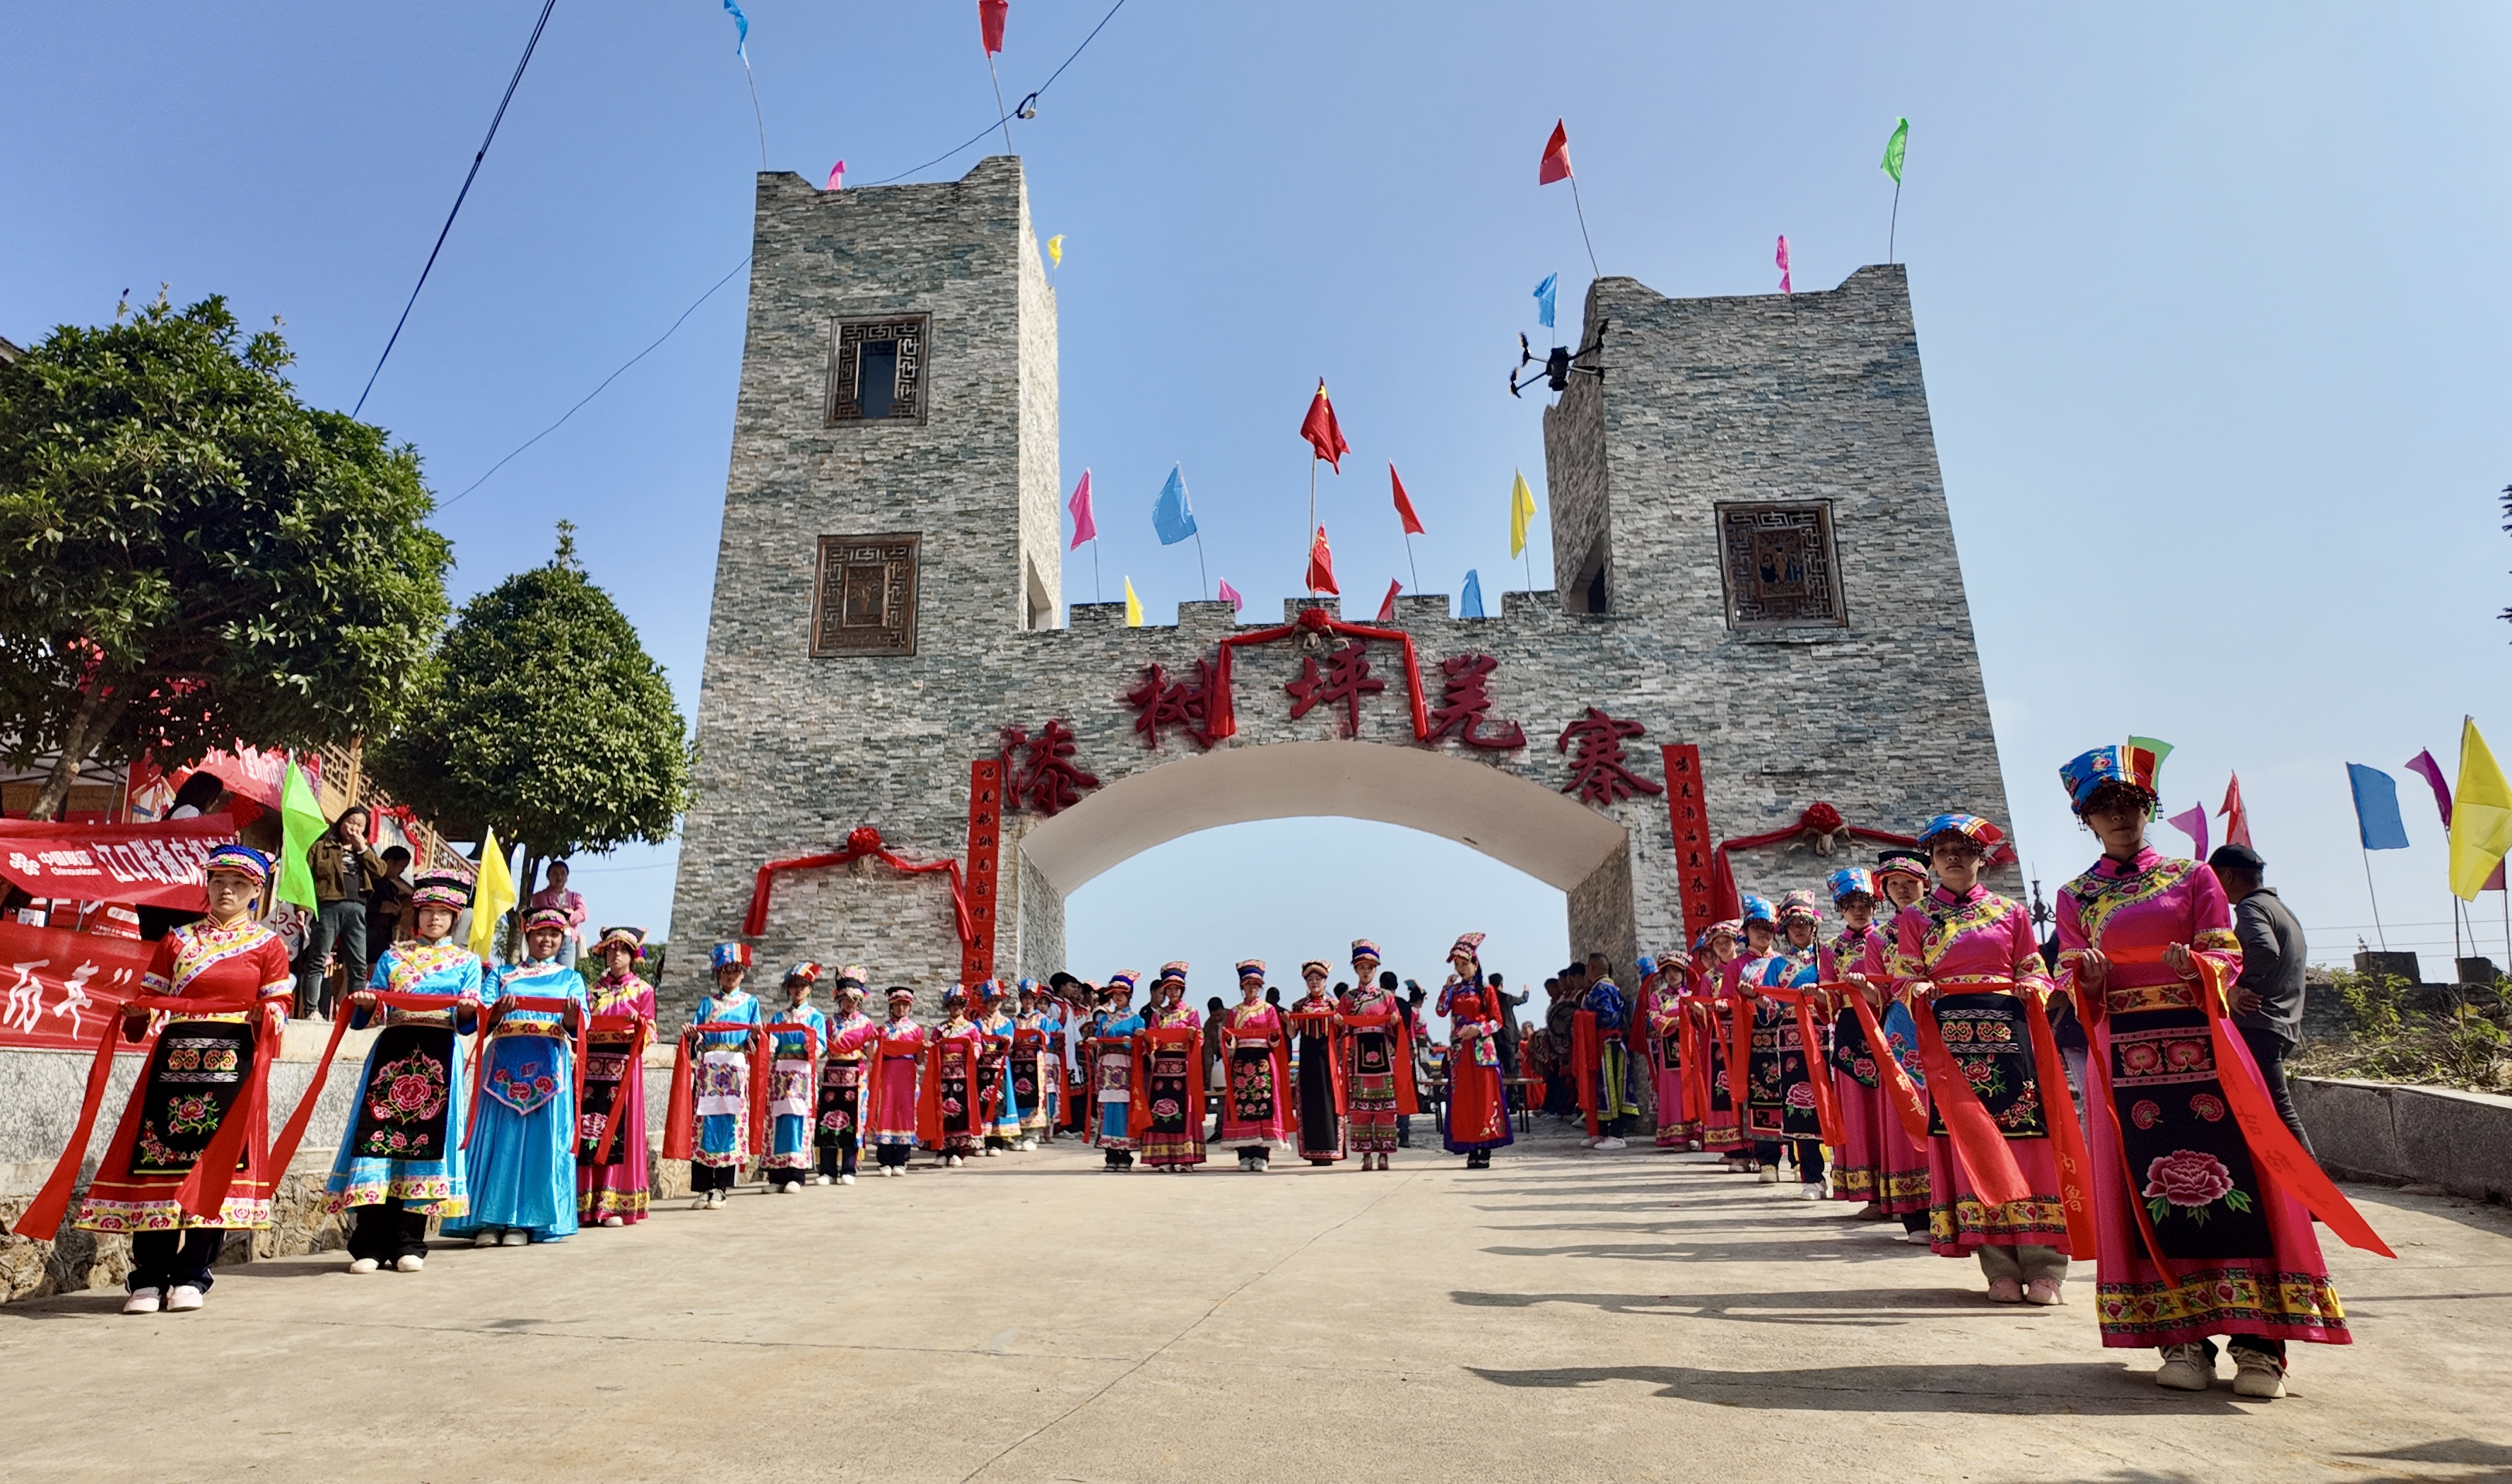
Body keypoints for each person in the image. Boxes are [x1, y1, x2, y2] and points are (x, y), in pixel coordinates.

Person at [2056, 746, 2348, 1398]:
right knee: (2146, 1190)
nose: (2119, 817)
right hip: (2127, 1055)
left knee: (2241, 1181)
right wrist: (2090, 977)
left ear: (2146, 809)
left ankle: (2259, 1345)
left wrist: (2197, 966)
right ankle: (2181, 1337)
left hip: (2205, 1049)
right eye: (2103, 809)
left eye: (2129, 805)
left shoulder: (2193, 877)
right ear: (2086, 820)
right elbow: (2069, 968)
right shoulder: (2076, 895)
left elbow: (2226, 947)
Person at [58, 844, 293, 1314]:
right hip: (174, 1062)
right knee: (158, 1165)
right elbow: (150, 1000)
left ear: (256, 892)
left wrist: (265, 1014)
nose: (226, 890)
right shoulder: (177, 941)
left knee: (214, 1168)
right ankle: (148, 1276)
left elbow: (281, 1008)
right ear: (206, 885)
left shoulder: (268, 946)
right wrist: (138, 1013)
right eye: (219, 881)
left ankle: (192, 1274)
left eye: (239, 884)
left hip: (232, 1065)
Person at [1894, 814, 2071, 1303]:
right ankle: (1998, 1268)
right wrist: (1918, 987)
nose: (1954, 857)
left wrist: (2031, 987)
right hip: (1949, 1045)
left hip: (2009, 1037)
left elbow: (2035, 971)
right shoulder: (1915, 919)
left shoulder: (2011, 914)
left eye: (1964, 849)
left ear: (1981, 857)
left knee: (2028, 1145)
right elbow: (1903, 980)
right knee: (1972, 1149)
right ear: (1931, 859)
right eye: (1944, 849)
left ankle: (2046, 1266)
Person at [325, 872, 483, 1273]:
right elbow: (375, 1010)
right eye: (427, 911)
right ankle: (368, 1244)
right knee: (377, 1142)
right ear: (417, 914)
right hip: (392, 1053)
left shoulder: (466, 962)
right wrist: (364, 1002)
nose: (433, 919)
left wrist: (467, 1011)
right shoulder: (394, 957)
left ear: (454, 918)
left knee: (424, 1146)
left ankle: (409, 1242)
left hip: (438, 1055)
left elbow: (470, 1020)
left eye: (443, 913)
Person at [447, 907, 586, 1247]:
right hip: (503, 1068)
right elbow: (482, 1019)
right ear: (527, 936)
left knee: (541, 1146)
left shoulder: (571, 980)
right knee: (498, 1143)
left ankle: (526, 1222)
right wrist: (497, 1011)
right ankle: (487, 1220)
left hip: (549, 1070)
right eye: (540, 933)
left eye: (554, 934)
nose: (547, 939)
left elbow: (581, 1027)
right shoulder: (502, 974)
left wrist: (571, 1020)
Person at [2211, 843, 2314, 1152]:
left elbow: (2265, 950)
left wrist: (2235, 985)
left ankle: (2315, 1193)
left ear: (2227, 876)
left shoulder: (2250, 907)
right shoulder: (2280, 908)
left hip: (2259, 1023)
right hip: (2282, 1023)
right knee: (2262, 1109)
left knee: (2278, 1112)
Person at [1862, 849, 1937, 1239]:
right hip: (1902, 1028)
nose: (1903, 889)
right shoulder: (1880, 938)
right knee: (1909, 1109)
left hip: (1948, 1022)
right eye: (1894, 884)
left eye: (1910, 882)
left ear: (1926, 882)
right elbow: (1878, 992)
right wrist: (1867, 989)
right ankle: (1918, 1213)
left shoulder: (1947, 923)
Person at [1824, 867, 1893, 1214]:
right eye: (1851, 904)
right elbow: (1829, 1002)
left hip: (1885, 1026)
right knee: (1858, 1113)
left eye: (1865, 903)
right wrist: (1815, 994)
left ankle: (1898, 1189)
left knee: (1888, 1111)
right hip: (1852, 1031)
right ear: (1840, 909)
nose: (1859, 910)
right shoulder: (1831, 950)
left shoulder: (1887, 939)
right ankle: (1871, 1194)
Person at [578, 927, 657, 1226]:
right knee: (589, 1131)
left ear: (633, 956)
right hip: (592, 1067)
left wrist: (638, 1026)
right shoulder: (591, 990)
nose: (617, 955)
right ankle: (586, 1202)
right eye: (612, 949)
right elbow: (581, 1026)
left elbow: (651, 1030)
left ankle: (613, 1204)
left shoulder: (643, 990)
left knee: (616, 1131)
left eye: (623, 950)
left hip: (623, 1068)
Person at [683, 943, 765, 1208]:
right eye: (725, 971)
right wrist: (694, 1036)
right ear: (718, 973)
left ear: (743, 974)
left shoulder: (750, 1003)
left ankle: (722, 1187)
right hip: (709, 1068)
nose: (730, 976)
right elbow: (699, 1036)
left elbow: (756, 1043)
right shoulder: (707, 1003)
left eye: (736, 971)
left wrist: (755, 1035)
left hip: (734, 1067)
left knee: (731, 1124)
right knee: (704, 1124)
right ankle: (704, 1186)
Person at [296, 803, 388, 1020]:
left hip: (358, 908)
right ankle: (311, 1011)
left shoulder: (365, 850)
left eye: (360, 825)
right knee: (318, 958)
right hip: (329, 905)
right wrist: (302, 908)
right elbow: (306, 878)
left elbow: (381, 871)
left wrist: (362, 848)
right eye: (350, 822)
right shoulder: (321, 846)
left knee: (358, 964)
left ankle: (355, 1014)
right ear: (341, 822)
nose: (354, 828)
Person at [1439, 934, 1512, 1168]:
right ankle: (1471, 1146)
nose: (1461, 969)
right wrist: (1446, 988)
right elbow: (1441, 1011)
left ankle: (1486, 1147)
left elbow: (1497, 1021)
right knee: (1465, 1100)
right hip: (1461, 1052)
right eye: (1457, 965)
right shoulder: (1456, 990)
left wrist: (1478, 1028)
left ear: (1475, 964)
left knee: (1485, 1097)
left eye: (1464, 964)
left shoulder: (1486, 990)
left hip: (1482, 1052)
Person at [1217, 962, 1291, 1172]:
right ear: (1242, 986)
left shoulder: (1268, 1010)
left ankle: (1262, 1155)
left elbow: (1275, 1039)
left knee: (1263, 1107)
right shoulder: (1234, 1012)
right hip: (1241, 1061)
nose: (1252, 989)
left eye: (1256, 985)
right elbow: (1230, 1042)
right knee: (1242, 1108)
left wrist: (1275, 1036)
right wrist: (1230, 1039)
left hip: (1262, 1063)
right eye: (1248, 985)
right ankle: (1244, 1154)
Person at [1688, 921, 1751, 1165]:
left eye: (1728, 942)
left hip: (1748, 1035)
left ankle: (1756, 1147)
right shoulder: (1709, 978)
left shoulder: (1748, 967)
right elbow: (1703, 1013)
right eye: (1718, 944)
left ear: (1737, 943)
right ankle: (1734, 1148)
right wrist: (1700, 1009)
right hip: (1721, 1040)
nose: (1724, 947)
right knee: (1724, 1091)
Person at [763, 962, 829, 1191]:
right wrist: (767, 1044)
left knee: (799, 1122)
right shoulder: (779, 1017)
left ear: (809, 989)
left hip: (802, 1073)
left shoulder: (816, 1017)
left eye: (802, 986)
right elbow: (771, 1043)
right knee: (779, 1121)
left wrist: (809, 1047)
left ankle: (796, 1175)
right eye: (794, 986)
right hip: (781, 1073)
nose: (798, 990)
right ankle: (776, 1176)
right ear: (788, 990)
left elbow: (820, 1043)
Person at [1339, 966, 1412, 1170]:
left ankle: (1384, 1154)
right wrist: (1339, 1023)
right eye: (1361, 968)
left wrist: (1395, 1021)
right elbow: (1341, 1027)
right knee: (1360, 1108)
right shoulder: (1348, 998)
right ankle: (1365, 1155)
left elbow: (1396, 1023)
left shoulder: (1386, 996)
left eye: (1369, 968)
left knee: (1385, 1107)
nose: (1365, 972)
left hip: (1383, 1055)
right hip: (1358, 1054)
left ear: (1375, 970)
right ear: (1355, 970)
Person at [857, 988, 929, 1177]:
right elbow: (872, 1056)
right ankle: (885, 1159)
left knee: (904, 1111)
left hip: (906, 1074)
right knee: (886, 1111)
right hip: (887, 1074)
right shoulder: (882, 1030)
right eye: (898, 1004)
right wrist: (872, 1043)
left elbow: (919, 1060)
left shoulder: (916, 1030)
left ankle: (901, 1159)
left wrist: (924, 1049)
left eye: (905, 1005)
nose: (901, 1008)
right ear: (891, 1006)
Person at [816, 970, 874, 1183]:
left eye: (854, 1000)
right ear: (839, 999)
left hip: (856, 1074)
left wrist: (875, 1046)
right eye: (846, 999)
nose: (850, 1003)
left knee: (853, 1121)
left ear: (860, 1001)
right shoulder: (829, 1023)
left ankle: (849, 1169)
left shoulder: (867, 1024)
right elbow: (821, 1048)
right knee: (827, 1120)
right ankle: (827, 1170)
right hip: (832, 1072)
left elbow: (870, 1054)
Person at [1288, 960, 1346, 1166]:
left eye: (1318, 979)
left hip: (1327, 1057)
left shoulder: (1334, 1005)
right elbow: (1293, 1033)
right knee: (1309, 1101)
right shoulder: (1299, 1006)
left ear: (1325, 981)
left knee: (1328, 1100)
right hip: (1307, 1058)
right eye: (1311, 979)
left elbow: (1341, 1034)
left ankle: (1331, 1148)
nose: (1314, 983)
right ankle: (1312, 1150)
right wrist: (1288, 1023)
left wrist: (1340, 1023)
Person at [1579, 953, 1638, 1151]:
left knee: (1613, 1088)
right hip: (1602, 1044)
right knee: (1602, 1089)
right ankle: (1603, 1132)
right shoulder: (1604, 987)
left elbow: (1607, 1016)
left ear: (1591, 968)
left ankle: (1617, 1135)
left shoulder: (1603, 988)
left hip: (1610, 1044)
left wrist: (1584, 1018)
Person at [1088, 973, 1147, 1170]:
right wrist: (1095, 1043)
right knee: (1107, 1109)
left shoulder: (1136, 1020)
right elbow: (1098, 1041)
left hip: (1126, 1068)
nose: (1119, 997)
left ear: (1129, 995)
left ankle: (1125, 1155)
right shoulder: (1105, 1020)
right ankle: (1110, 1155)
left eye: (1123, 993)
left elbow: (1142, 1048)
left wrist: (1134, 1042)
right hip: (1107, 1068)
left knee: (1123, 1109)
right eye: (1115, 994)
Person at [1642, 955, 1699, 1150]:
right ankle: (1678, 1137)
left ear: (1683, 972)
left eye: (1676, 970)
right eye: (1668, 971)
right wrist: (1676, 1021)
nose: (1672, 975)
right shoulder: (1657, 996)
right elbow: (1655, 1019)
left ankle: (1699, 1134)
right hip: (1669, 1052)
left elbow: (1701, 1015)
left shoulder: (1693, 993)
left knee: (1696, 1089)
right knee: (1675, 1092)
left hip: (1693, 1049)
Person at [929, 987, 985, 1166]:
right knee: (942, 1110)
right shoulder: (940, 1028)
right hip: (942, 1074)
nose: (956, 1008)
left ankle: (959, 1151)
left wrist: (971, 1052)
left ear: (964, 1007)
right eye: (952, 1005)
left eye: (959, 1004)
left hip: (962, 1073)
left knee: (961, 1109)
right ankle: (942, 1148)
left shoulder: (971, 1028)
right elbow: (932, 1047)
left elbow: (978, 1047)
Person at [1010, 979, 1051, 1150]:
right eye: (1024, 998)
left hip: (1034, 1060)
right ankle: (1018, 1133)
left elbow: (1047, 1040)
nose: (1027, 1001)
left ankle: (1032, 1134)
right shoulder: (1014, 1020)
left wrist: (1038, 1034)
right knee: (1018, 1095)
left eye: (1031, 998)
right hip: (1018, 1061)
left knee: (1033, 1095)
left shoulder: (1042, 1019)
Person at [527, 859, 590, 967]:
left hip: (568, 940)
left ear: (567, 876)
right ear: (548, 877)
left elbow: (583, 914)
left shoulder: (576, 897)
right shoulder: (540, 896)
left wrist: (564, 916)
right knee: (544, 970)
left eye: (563, 874)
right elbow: (547, 913)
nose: (559, 877)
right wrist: (569, 914)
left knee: (566, 974)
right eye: (555, 874)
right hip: (547, 939)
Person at [367, 845, 413, 951]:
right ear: (390, 862)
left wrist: (396, 913)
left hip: (382, 937)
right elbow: (359, 904)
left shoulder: (393, 888)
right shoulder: (370, 879)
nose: (402, 871)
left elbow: (394, 919)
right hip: (365, 931)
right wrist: (378, 908)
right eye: (402, 866)